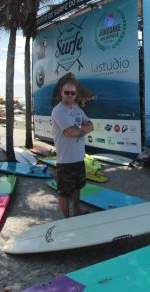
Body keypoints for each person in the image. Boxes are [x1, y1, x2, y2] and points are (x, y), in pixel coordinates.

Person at [51, 78, 94, 218]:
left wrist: (79, 130)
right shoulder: (58, 111)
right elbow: (70, 132)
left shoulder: (77, 109)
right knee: (64, 193)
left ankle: (77, 210)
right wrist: (83, 129)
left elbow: (91, 125)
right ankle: (67, 219)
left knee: (77, 187)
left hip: (78, 157)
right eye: (67, 92)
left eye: (73, 93)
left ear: (76, 94)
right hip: (65, 160)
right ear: (61, 93)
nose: (70, 95)